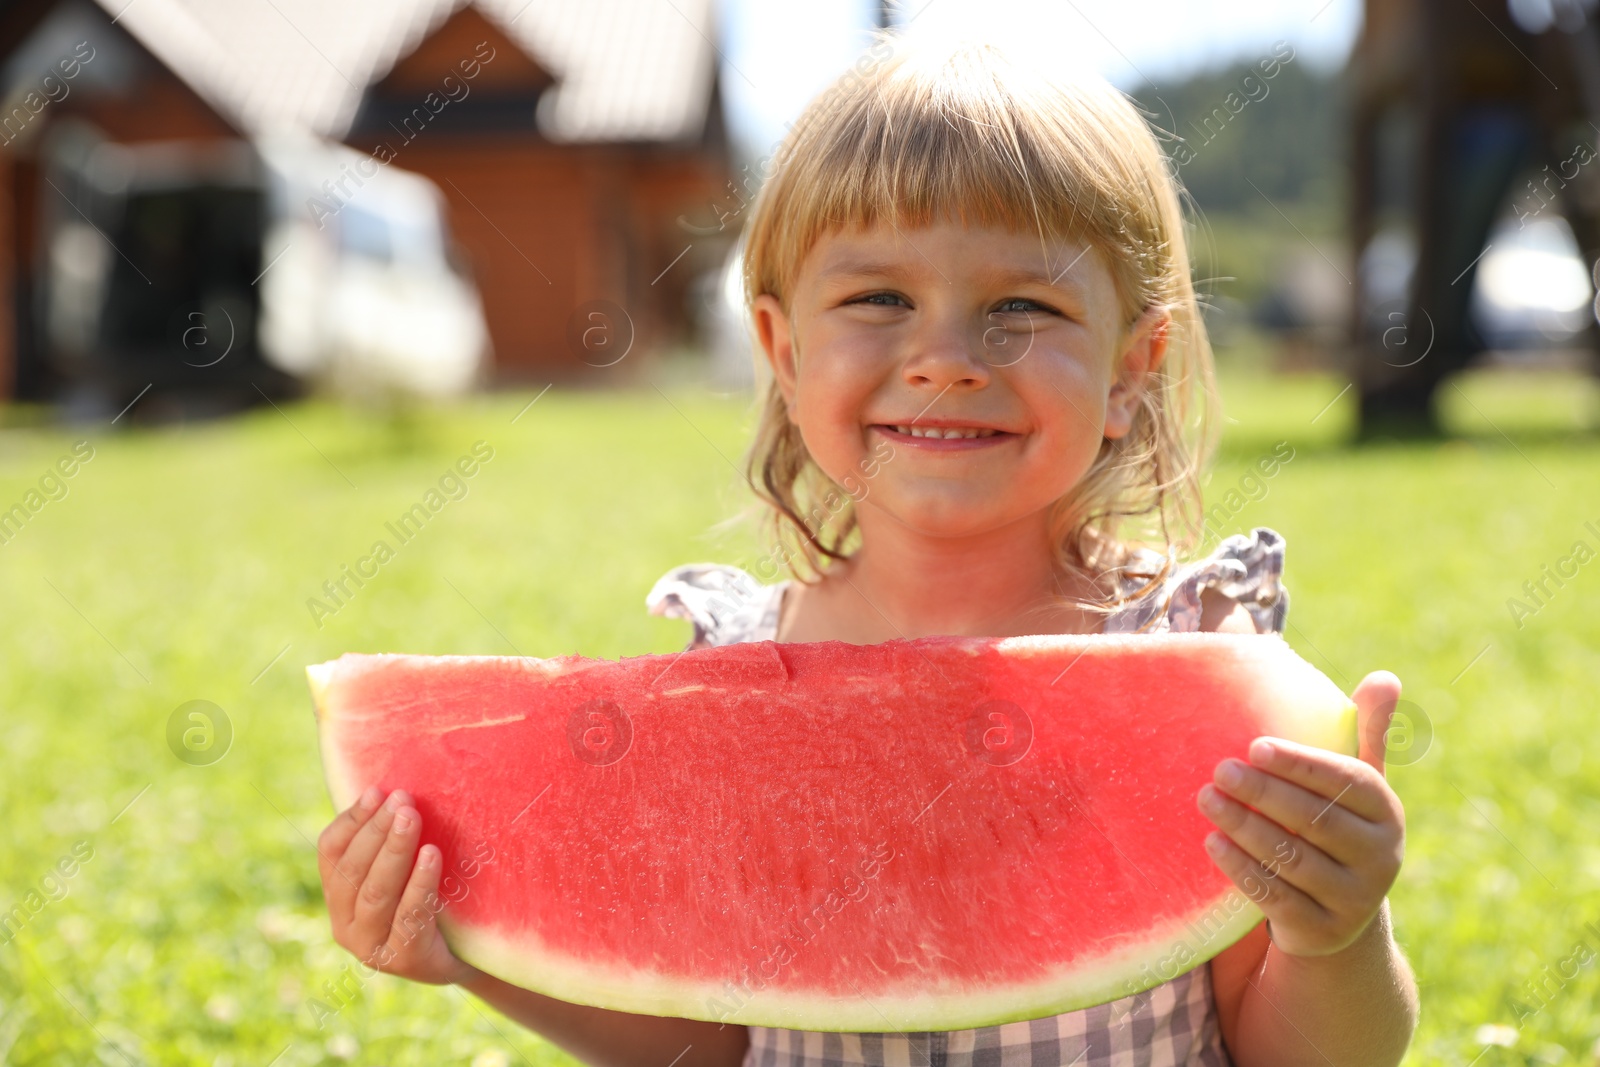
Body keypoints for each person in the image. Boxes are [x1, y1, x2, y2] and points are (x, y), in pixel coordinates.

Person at [314, 34, 1419, 1067]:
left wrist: (1334, 934)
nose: (943, 357)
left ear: (1133, 368)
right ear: (782, 352)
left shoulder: (1190, 645)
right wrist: (474, 953)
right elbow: (705, 1030)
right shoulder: (729, 665)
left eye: (1021, 306)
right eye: (880, 297)